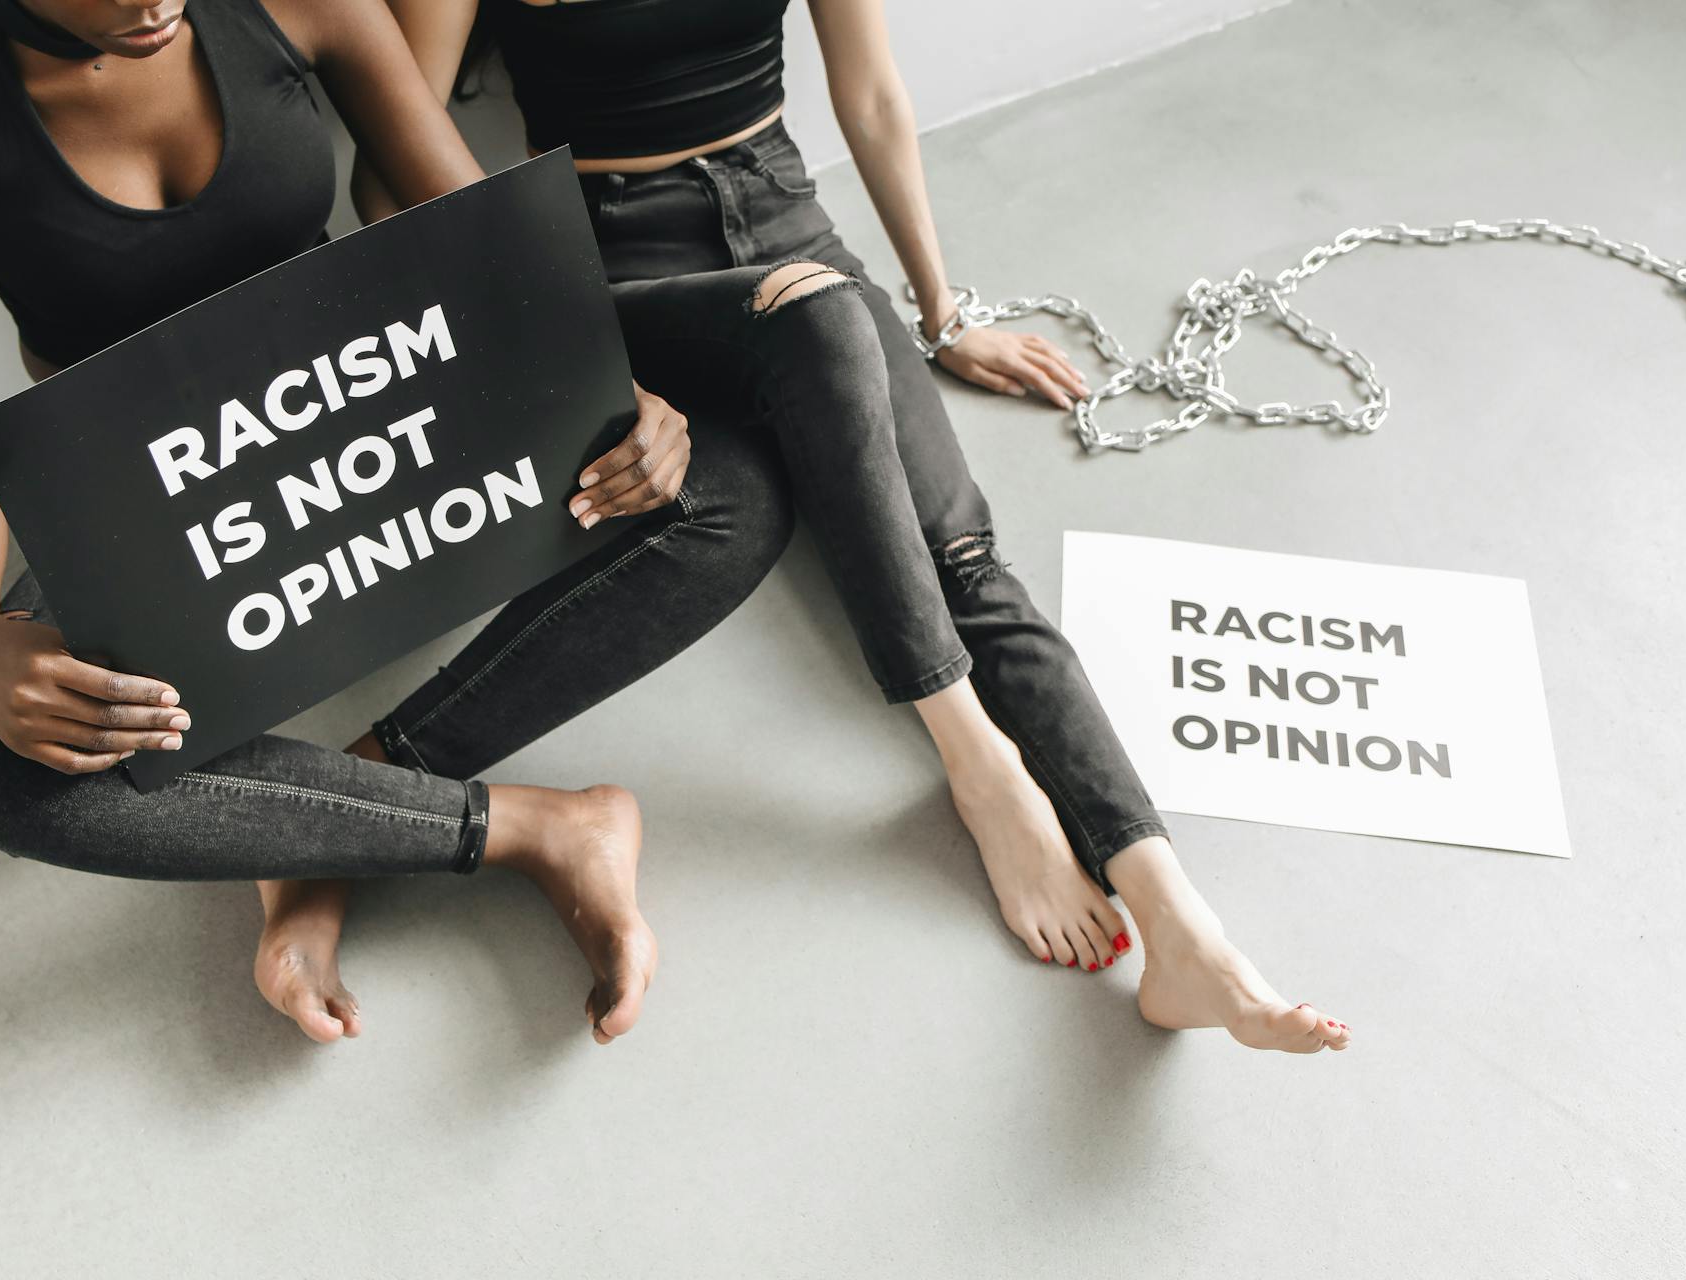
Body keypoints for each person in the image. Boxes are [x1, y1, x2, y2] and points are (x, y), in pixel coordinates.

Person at [358, 0, 1353, 1052]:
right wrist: (560, 360)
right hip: (611, 265)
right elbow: (391, 165)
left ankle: (1179, 920)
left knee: (963, 557)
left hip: (788, 221)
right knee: (816, 336)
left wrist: (942, 310)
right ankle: (981, 766)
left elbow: (870, 92)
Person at [0, 0, 806, 1046]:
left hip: (374, 409)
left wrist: (615, 391)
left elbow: (477, 232)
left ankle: (325, 825)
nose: (154, 5)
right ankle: (537, 828)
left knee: (727, 488)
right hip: (156, 505)